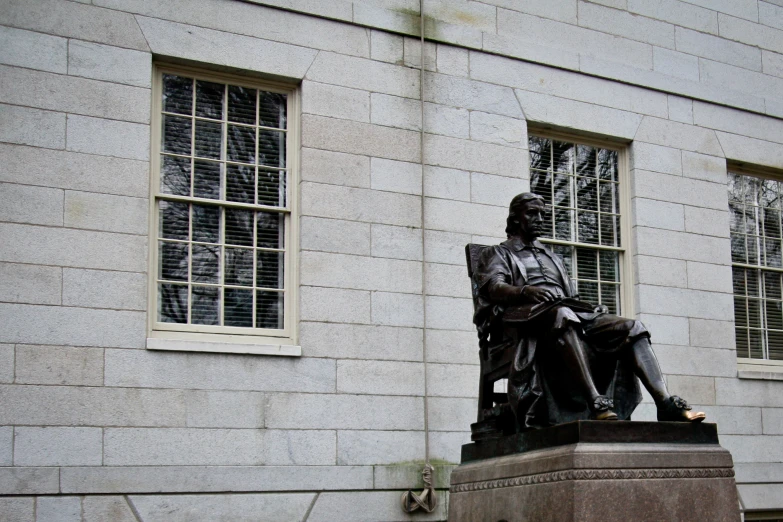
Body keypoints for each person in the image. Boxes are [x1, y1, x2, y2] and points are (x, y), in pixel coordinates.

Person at [472, 192, 705, 429]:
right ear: (515, 219)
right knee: (562, 315)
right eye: (532, 213)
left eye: (543, 213)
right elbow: (493, 287)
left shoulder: (552, 256)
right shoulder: (498, 253)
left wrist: (591, 309)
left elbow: (570, 296)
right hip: (526, 319)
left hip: (569, 312)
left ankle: (665, 403)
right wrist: (526, 292)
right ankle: (597, 402)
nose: (540, 218)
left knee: (633, 327)